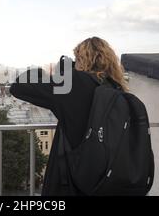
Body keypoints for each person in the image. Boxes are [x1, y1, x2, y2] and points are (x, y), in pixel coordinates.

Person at [10, 36, 129, 196]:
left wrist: (41, 71)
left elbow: (18, 86)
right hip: (108, 177)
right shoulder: (116, 87)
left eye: (77, 59)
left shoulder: (74, 83)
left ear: (81, 60)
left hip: (72, 179)